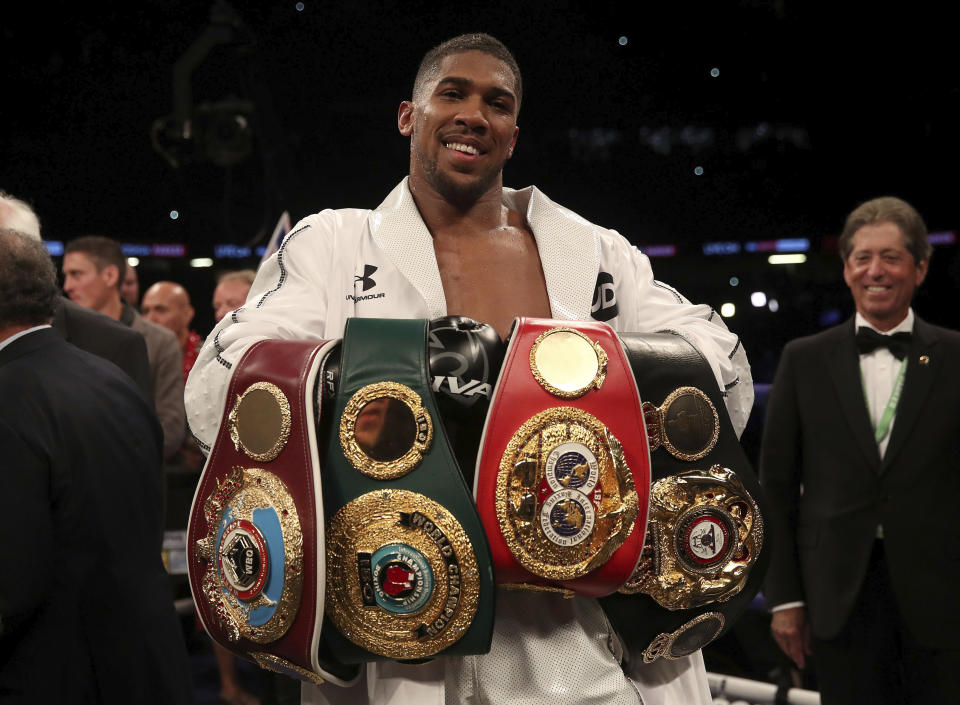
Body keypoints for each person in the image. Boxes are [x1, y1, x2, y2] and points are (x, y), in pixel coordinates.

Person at [186, 33, 752, 705]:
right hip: (400, 625)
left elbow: (720, 359)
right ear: (408, 115)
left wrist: (610, 395)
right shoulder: (334, 243)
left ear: (513, 135)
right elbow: (222, 379)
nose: (474, 114)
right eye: (452, 93)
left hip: (581, 636)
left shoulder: (596, 252)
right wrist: (368, 381)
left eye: (498, 102)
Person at [760, 196, 960, 704]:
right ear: (847, 268)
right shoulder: (803, 360)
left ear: (920, 267)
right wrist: (785, 599)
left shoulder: (956, 358)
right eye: (863, 257)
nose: (877, 271)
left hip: (941, 594)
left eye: (891, 257)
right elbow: (777, 490)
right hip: (835, 597)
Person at [0, 228, 194, 704]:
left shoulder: (7, 396)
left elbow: (14, 578)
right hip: (144, 661)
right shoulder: (112, 377)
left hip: (53, 672)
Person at [0, 190, 152, 400]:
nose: (70, 286)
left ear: (27, 255)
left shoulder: (117, 344)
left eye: (77, 274)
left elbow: (134, 430)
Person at [63, 236, 186, 460]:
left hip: (131, 478)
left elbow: (170, 430)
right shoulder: (60, 338)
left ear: (110, 275)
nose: (67, 286)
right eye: (67, 275)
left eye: (76, 274)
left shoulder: (160, 341)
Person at [141, 280, 202, 380]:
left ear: (187, 314)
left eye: (160, 310)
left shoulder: (208, 357)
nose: (150, 319)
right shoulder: (136, 357)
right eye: (145, 311)